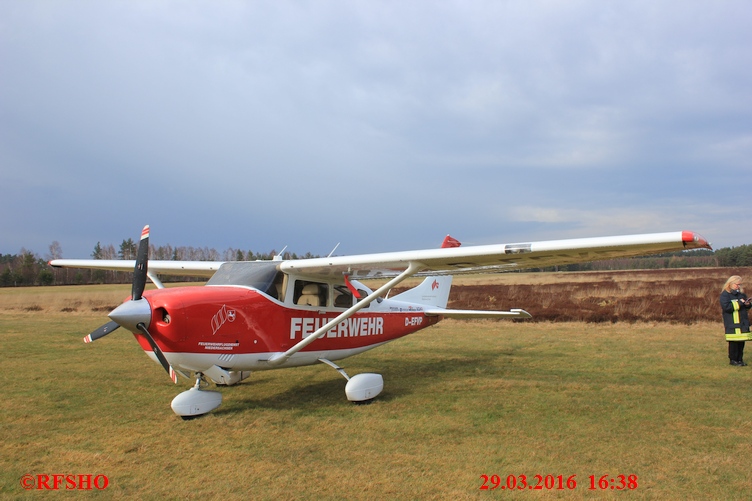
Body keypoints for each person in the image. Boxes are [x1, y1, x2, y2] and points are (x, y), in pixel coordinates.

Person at [720, 275, 752, 366]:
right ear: (730, 284)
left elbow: (746, 307)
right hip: (732, 323)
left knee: (742, 342)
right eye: (737, 284)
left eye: (740, 285)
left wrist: (748, 304)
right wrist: (740, 303)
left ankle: (740, 359)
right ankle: (733, 360)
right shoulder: (725, 295)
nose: (738, 286)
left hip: (742, 322)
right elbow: (727, 308)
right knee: (734, 343)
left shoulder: (741, 294)